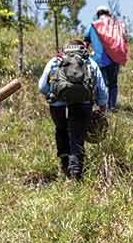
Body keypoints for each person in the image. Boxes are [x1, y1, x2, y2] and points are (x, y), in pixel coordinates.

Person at [37, 38, 108, 180]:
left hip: (57, 105)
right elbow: (101, 89)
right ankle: (76, 176)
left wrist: (52, 95)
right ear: (83, 48)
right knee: (77, 138)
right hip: (83, 103)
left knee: (61, 130)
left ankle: (64, 166)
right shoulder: (90, 62)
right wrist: (102, 106)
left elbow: (42, 87)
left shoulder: (55, 61)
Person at [85, 6, 127, 110]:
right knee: (113, 84)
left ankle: (101, 108)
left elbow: (86, 42)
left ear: (98, 14)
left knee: (100, 84)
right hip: (114, 58)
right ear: (109, 14)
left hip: (98, 60)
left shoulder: (93, 25)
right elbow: (124, 39)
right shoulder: (117, 25)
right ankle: (111, 106)